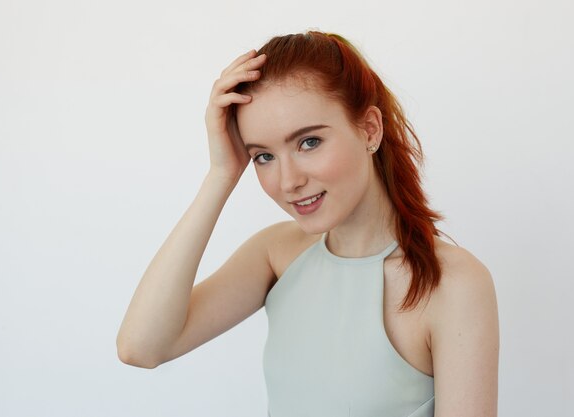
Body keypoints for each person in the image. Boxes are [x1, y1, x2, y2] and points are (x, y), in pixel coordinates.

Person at [117, 31, 499, 417]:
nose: (288, 181)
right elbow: (141, 347)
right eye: (264, 156)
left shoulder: (451, 283)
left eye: (309, 143)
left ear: (370, 129)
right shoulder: (276, 255)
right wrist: (220, 174)